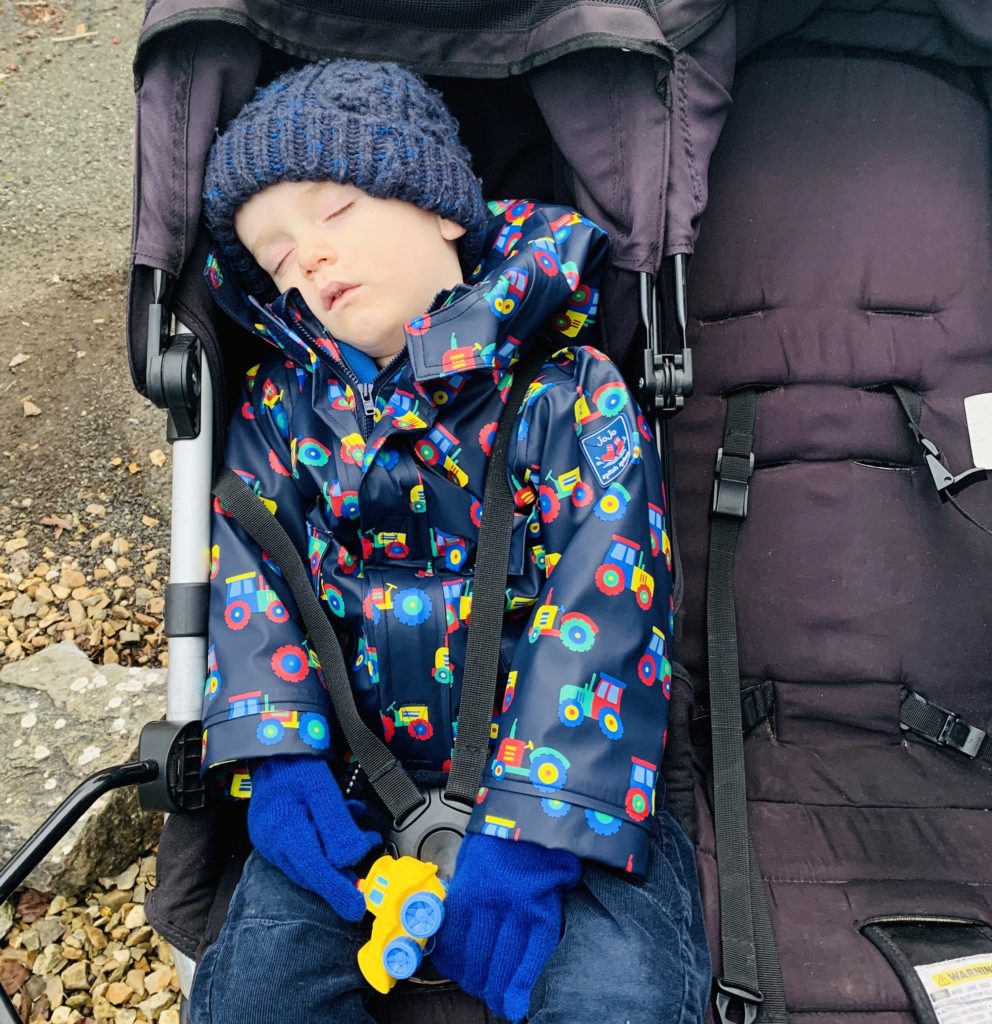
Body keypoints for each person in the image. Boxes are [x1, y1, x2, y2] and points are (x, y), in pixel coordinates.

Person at [190, 58, 711, 1024]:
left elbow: (606, 605)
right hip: (350, 785)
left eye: (336, 209)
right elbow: (249, 585)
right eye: (275, 255)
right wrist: (279, 760)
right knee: (257, 994)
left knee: (620, 996)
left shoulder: (568, 392)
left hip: (560, 793)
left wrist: (534, 833)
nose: (308, 258)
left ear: (440, 208)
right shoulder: (278, 415)